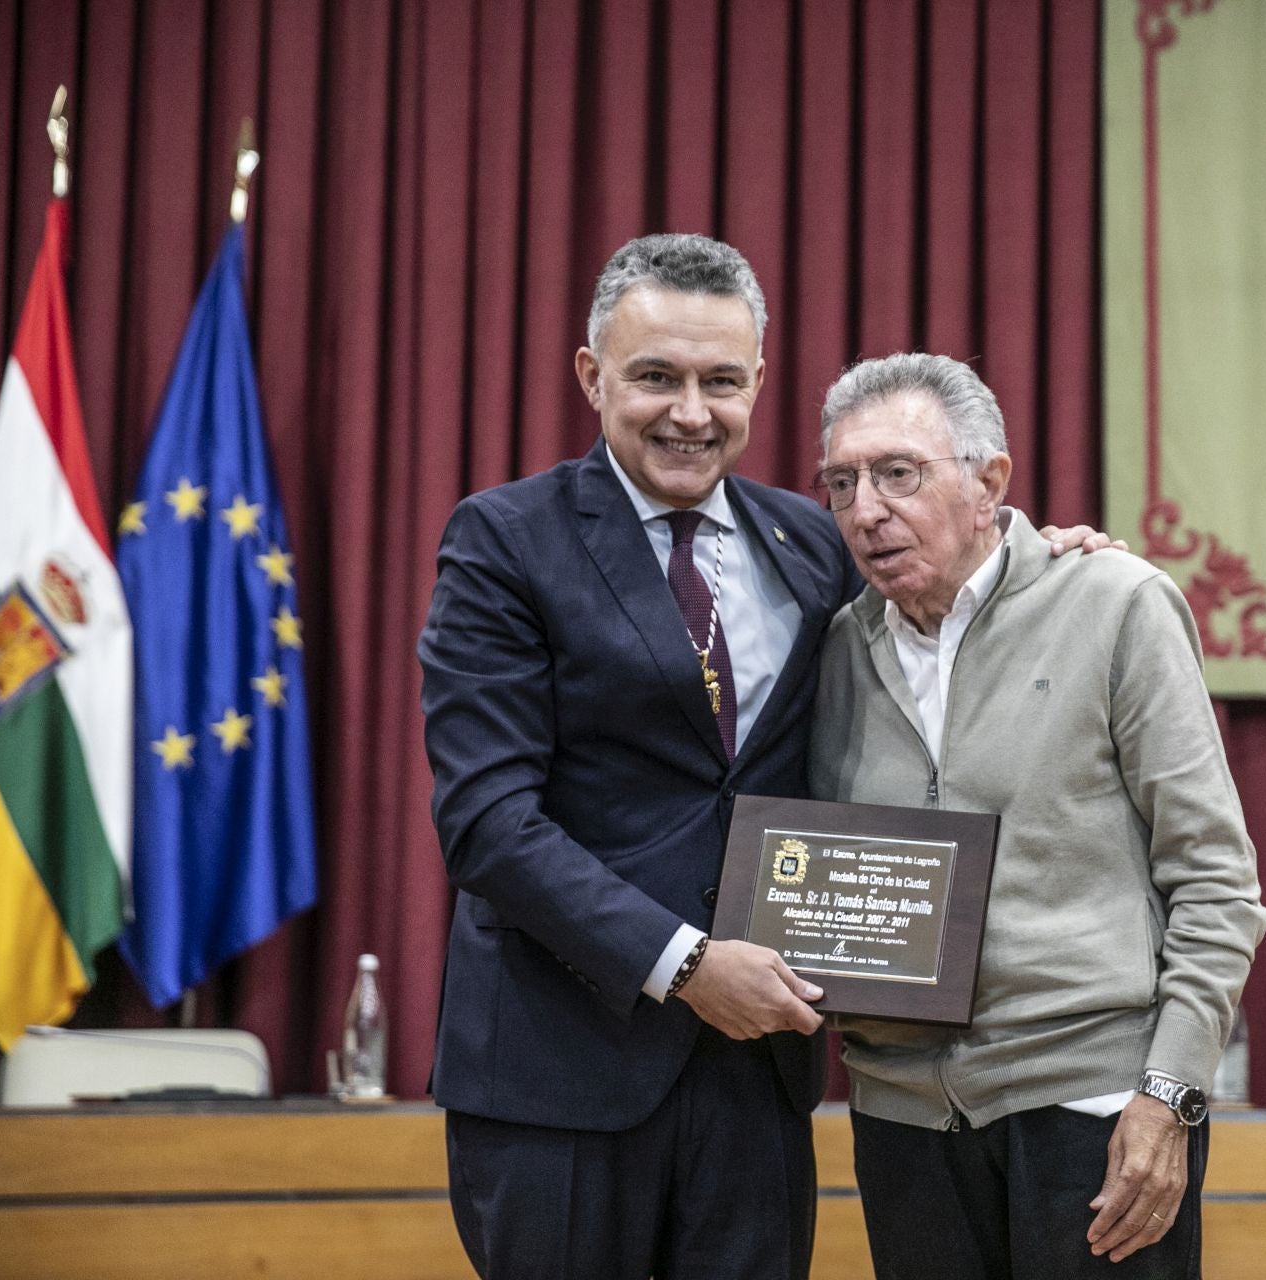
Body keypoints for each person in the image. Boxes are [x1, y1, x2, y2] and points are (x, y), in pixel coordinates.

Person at [418, 235, 1116, 1280]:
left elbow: (944, 593)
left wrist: (1039, 564)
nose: (690, 411)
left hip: (755, 1084)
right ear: (591, 374)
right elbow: (486, 821)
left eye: (721, 380)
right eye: (656, 376)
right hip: (560, 1078)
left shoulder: (816, 543)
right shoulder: (505, 541)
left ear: (758, 380)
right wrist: (687, 966)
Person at [806, 353, 1266, 1279]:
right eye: (842, 482)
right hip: (904, 1122)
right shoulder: (832, 648)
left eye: (899, 473)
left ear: (989, 482)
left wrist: (1169, 1096)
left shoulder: (1114, 603)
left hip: (1096, 1110)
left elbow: (1217, 882)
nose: (865, 510)